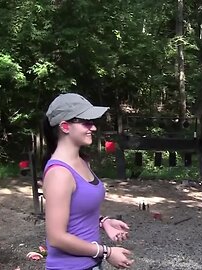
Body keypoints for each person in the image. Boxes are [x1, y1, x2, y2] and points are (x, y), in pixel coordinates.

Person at [42, 93, 134, 270]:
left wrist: (103, 221)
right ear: (65, 126)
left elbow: (76, 211)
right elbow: (56, 237)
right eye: (86, 122)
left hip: (90, 264)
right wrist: (106, 252)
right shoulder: (59, 174)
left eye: (92, 122)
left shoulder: (82, 161)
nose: (92, 127)